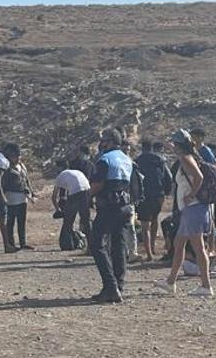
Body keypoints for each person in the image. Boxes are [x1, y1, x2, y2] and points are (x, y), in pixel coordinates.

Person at [164, 131, 214, 297]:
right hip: (190, 209)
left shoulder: (186, 159)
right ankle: (170, 282)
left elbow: (198, 177)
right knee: (179, 245)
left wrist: (191, 195)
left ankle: (206, 286)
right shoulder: (188, 156)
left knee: (198, 248)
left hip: (194, 208)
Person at [88, 128, 134, 304]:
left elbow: (97, 185)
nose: (101, 144)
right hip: (125, 207)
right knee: (118, 246)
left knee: (97, 244)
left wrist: (87, 198)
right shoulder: (126, 159)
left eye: (104, 140)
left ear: (110, 142)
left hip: (109, 207)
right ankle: (119, 286)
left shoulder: (105, 159)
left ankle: (110, 286)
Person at [134, 139, 173, 262]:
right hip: (158, 195)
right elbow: (169, 177)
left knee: (145, 226)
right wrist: (166, 192)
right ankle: (153, 246)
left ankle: (149, 254)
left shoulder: (137, 161)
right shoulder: (160, 160)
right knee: (155, 218)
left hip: (144, 195)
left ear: (142, 147)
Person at [1, 144, 34, 252]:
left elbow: (26, 179)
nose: (17, 158)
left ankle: (23, 243)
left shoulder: (22, 166)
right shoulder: (6, 168)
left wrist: (31, 192)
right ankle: (11, 243)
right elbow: (3, 183)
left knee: (21, 221)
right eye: (15, 156)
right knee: (11, 222)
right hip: (11, 197)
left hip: (22, 197)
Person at [52, 164, 91, 251]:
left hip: (76, 193)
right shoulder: (74, 172)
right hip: (87, 190)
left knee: (68, 220)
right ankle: (91, 246)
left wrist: (58, 209)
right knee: (86, 220)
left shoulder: (60, 176)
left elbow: (54, 197)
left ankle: (68, 244)